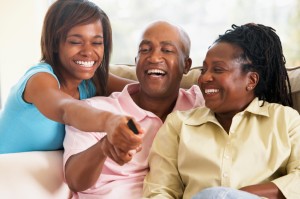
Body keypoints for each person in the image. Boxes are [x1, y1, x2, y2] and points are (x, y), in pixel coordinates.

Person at [143, 23, 300, 199]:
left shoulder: (285, 120)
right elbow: (159, 191)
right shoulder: (178, 125)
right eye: (204, 70)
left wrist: (234, 195)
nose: (204, 78)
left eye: (218, 69)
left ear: (251, 80)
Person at [63, 20, 205, 198]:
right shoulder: (94, 110)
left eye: (167, 50)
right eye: (145, 50)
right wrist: (104, 146)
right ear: (137, 61)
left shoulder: (200, 105)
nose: (153, 58)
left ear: (186, 65)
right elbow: (75, 181)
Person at [0, 0, 138, 154]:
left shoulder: (94, 80)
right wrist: (109, 121)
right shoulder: (40, 79)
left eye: (97, 42)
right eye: (76, 42)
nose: (88, 51)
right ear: (53, 44)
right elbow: (66, 109)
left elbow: (143, 93)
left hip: (42, 174)